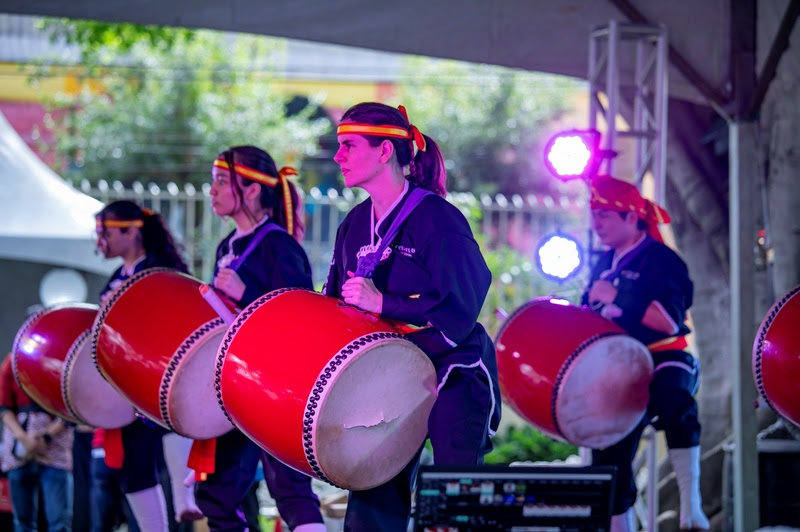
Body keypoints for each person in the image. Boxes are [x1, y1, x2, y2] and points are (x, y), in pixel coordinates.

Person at [325, 102, 501, 531]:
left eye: (349, 145)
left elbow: (463, 300)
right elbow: (335, 303)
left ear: (385, 151)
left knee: (451, 502)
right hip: (384, 376)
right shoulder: (353, 224)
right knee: (371, 501)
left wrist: (386, 303)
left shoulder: (437, 218)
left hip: (451, 368)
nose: (338, 157)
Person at [194, 145, 325, 532]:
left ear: (252, 190)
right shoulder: (227, 246)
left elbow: (301, 317)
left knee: (289, 489)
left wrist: (246, 293)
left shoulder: (278, 246)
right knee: (215, 494)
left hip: (275, 384)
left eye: (221, 181)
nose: (212, 190)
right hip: (234, 383)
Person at [581, 175, 710, 531]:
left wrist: (618, 298)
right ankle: (620, 525)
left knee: (674, 398)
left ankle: (691, 507)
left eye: (605, 215)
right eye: (594, 214)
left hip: (664, 356)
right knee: (606, 438)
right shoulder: (602, 262)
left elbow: (668, 322)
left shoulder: (662, 260)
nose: (597, 224)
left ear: (632, 217)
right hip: (618, 364)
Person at [94, 200, 202, 530]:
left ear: (131, 232)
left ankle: (186, 501)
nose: (101, 240)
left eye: (106, 232)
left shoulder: (159, 269)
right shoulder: (117, 275)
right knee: (132, 466)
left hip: (158, 374)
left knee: (169, 423)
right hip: (124, 385)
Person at [0, 354, 74, 532]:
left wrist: (46, 437)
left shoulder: (63, 360)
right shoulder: (12, 362)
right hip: (20, 449)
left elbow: (71, 409)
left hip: (55, 449)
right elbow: (4, 407)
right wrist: (24, 438)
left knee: (59, 522)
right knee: (22, 522)